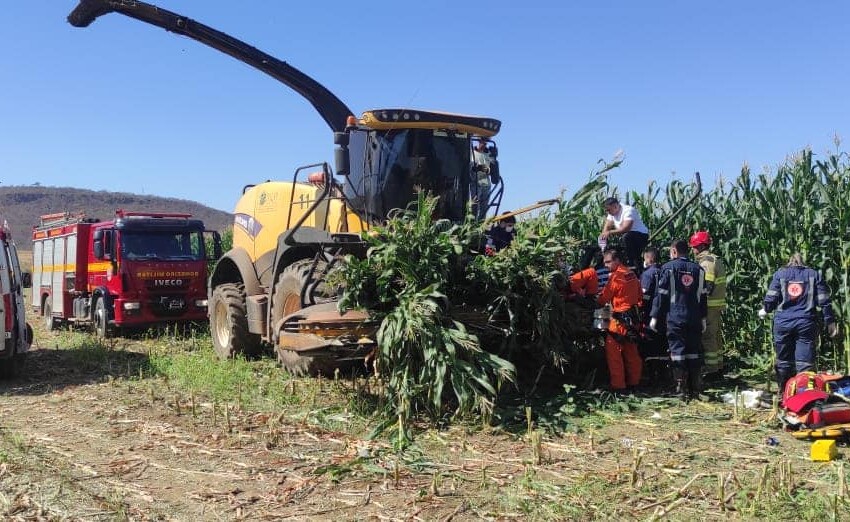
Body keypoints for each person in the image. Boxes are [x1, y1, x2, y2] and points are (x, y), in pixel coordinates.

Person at [759, 253, 838, 395]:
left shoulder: (780, 274)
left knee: (783, 361)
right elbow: (824, 301)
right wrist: (830, 321)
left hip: (783, 323)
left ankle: (784, 393)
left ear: (789, 262)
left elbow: (771, 298)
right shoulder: (814, 274)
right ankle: (804, 395)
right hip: (806, 322)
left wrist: (766, 309)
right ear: (803, 262)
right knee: (805, 362)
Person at [649, 240, 707, 400]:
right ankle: (695, 388)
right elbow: (703, 297)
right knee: (693, 351)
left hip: (675, 317)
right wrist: (703, 317)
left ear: (674, 251)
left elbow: (661, 295)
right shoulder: (699, 269)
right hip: (694, 317)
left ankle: (680, 389)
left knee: (677, 351)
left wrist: (654, 316)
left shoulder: (668, 268)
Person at [597, 248, 643, 392]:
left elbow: (603, 298)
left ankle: (618, 386)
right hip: (633, 320)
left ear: (617, 260)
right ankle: (634, 383)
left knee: (614, 353)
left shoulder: (616, 277)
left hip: (619, 321)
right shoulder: (632, 274)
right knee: (632, 353)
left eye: (608, 262)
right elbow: (639, 295)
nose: (606, 265)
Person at [689, 231, 726, 378]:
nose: (692, 250)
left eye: (694, 247)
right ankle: (718, 366)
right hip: (715, 305)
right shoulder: (714, 259)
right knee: (715, 337)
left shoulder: (706, 262)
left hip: (709, 305)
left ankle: (712, 370)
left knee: (708, 338)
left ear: (700, 246)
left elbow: (707, 286)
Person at [600, 197, 650, 274]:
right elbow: (607, 227)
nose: (608, 212)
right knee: (614, 245)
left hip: (640, 235)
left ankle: (632, 263)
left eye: (609, 210)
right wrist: (603, 237)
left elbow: (626, 228)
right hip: (626, 237)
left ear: (615, 206)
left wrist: (609, 233)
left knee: (627, 237)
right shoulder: (611, 214)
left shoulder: (628, 210)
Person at [639, 246, 665, 357]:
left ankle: (652, 369)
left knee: (650, 344)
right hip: (664, 313)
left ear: (650, 259)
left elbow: (643, 294)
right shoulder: (664, 271)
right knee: (662, 344)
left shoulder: (648, 274)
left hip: (650, 313)